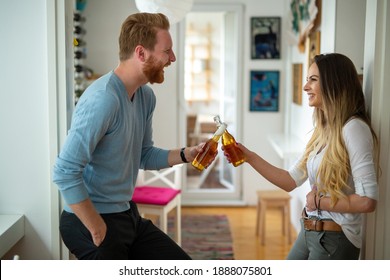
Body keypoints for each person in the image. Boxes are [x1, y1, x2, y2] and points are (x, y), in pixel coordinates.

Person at [53, 13, 209, 260]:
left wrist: (184, 154)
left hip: (126, 214)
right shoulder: (103, 99)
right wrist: (96, 227)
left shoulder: (146, 97)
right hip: (88, 220)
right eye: (166, 51)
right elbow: (64, 171)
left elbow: (144, 155)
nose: (173, 58)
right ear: (141, 53)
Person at [224, 53, 380, 260]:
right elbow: (290, 180)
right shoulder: (322, 131)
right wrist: (249, 156)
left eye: (313, 80)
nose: (305, 87)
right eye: (307, 80)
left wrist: (319, 202)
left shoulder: (354, 129)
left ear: (334, 83)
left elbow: (367, 201)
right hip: (309, 231)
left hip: (334, 239)